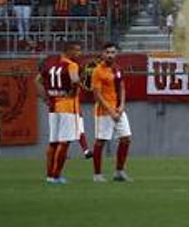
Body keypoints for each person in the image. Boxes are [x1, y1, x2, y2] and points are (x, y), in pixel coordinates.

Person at [36, 41, 82, 183]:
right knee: (64, 142)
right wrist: (73, 93)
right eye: (77, 50)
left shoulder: (50, 65)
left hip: (53, 106)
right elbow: (74, 80)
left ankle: (49, 175)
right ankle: (57, 176)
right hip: (67, 106)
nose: (79, 54)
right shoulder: (72, 65)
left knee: (53, 142)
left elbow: (36, 81)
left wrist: (46, 98)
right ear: (69, 51)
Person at [91, 44, 132, 182]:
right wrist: (111, 111)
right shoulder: (97, 71)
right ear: (102, 54)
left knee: (126, 139)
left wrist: (121, 106)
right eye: (107, 52)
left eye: (113, 52)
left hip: (118, 110)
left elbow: (122, 88)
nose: (110, 55)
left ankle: (119, 172)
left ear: (116, 54)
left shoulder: (117, 69)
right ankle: (97, 174)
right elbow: (97, 95)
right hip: (104, 111)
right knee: (100, 141)